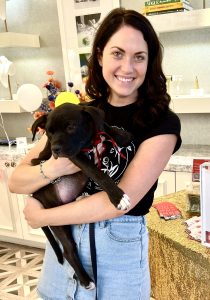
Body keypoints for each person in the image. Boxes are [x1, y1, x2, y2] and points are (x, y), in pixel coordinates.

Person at [8, 7, 181, 300]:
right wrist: (53, 169)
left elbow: (118, 202)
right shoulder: (80, 112)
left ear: (149, 62)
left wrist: (44, 216)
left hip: (118, 247)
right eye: (117, 53)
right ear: (99, 56)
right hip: (65, 248)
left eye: (139, 57)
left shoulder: (162, 122)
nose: (127, 67)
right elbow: (16, 181)